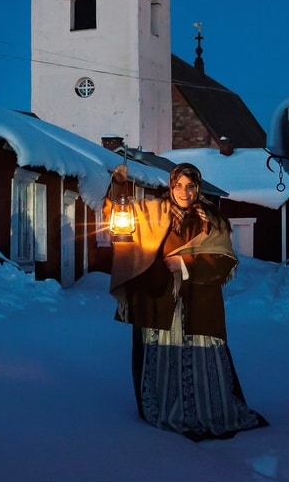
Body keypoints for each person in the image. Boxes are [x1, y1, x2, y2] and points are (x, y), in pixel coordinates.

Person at [105, 161, 268, 440]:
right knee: (164, 358)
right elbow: (118, 216)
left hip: (198, 303)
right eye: (179, 185)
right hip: (159, 301)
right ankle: (168, 409)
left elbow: (225, 261)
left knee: (203, 360)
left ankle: (208, 411)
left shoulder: (212, 220)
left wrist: (186, 263)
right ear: (171, 186)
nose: (184, 191)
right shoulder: (153, 212)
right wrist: (119, 185)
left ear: (197, 188)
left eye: (190, 186)